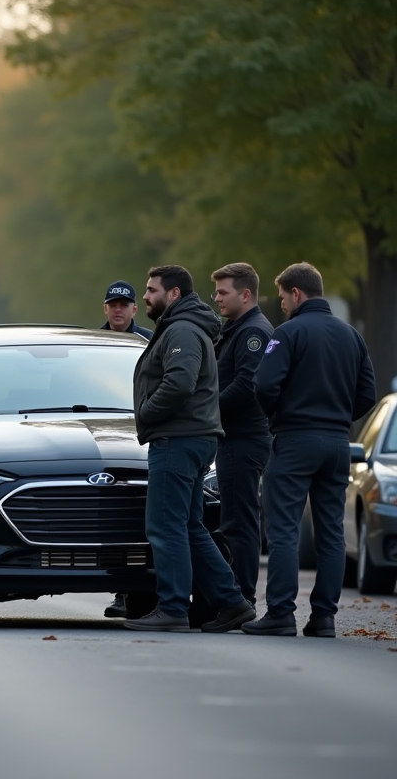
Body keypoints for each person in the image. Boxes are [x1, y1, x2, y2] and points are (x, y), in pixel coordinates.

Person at [244, 262, 376, 637]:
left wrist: (279, 417)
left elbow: (264, 384)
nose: (282, 304)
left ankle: (281, 613)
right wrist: (337, 417)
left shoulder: (288, 334)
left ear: (296, 294)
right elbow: (367, 393)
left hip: (295, 438)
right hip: (337, 442)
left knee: (284, 528)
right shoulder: (352, 336)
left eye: (284, 297)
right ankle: (324, 617)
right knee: (331, 530)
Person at [127, 265, 255, 633]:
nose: (146, 296)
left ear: (174, 295)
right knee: (189, 526)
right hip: (193, 438)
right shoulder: (182, 326)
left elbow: (180, 382)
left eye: (152, 290)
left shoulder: (181, 329)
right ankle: (232, 603)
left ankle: (171, 608)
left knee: (165, 526)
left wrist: (147, 413)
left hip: (177, 439)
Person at [208, 263, 274, 608]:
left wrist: (207, 410)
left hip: (243, 439)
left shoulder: (254, 333)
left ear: (245, 295)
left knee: (240, 522)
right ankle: (234, 598)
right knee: (234, 518)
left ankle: (240, 599)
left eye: (223, 292)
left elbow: (247, 385)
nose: (216, 298)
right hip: (234, 438)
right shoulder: (236, 328)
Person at [99, 280, 152, 619]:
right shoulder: (92, 343)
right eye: (113, 304)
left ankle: (137, 589)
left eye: (124, 304)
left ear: (134, 309)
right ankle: (121, 592)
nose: (118, 310)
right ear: (105, 309)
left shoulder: (148, 341)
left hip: (137, 427)